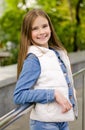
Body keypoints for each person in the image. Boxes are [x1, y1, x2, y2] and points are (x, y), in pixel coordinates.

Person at [13, 9, 78, 130]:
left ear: (50, 27)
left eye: (44, 26)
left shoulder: (56, 53)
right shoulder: (33, 59)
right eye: (35, 28)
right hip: (44, 124)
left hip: (62, 120)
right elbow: (19, 95)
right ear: (27, 33)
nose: (41, 32)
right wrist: (53, 94)